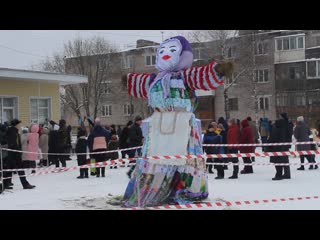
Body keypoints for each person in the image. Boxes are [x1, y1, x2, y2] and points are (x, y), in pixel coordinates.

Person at [121, 36, 231, 207]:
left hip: (182, 123)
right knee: (156, 157)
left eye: (172, 51)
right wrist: (129, 80)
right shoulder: (154, 80)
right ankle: (153, 187)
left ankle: (184, 189)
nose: (166, 55)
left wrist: (218, 70)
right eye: (163, 51)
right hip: (158, 124)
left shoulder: (185, 77)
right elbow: (140, 82)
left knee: (181, 159)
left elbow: (201, 75)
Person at [3, 119, 35, 190]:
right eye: (19, 124)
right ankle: (25, 184)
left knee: (8, 169)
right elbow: (13, 144)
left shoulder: (14, 131)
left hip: (12, 154)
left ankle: (5, 184)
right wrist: (18, 151)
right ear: (16, 125)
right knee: (20, 169)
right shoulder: (13, 132)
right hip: (14, 154)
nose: (20, 126)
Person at [279, 112, 292, 178]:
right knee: (285, 158)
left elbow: (285, 133)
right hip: (287, 142)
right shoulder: (288, 123)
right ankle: (287, 173)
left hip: (284, 142)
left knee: (284, 158)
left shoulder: (284, 124)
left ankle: (287, 174)